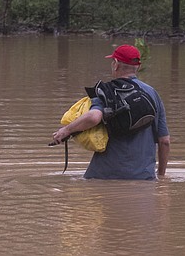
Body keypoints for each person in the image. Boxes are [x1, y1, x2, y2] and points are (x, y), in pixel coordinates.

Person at [52, 44, 170, 180]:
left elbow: (93, 117)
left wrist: (66, 130)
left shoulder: (106, 92)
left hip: (104, 176)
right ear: (138, 66)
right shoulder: (153, 94)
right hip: (144, 178)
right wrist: (161, 176)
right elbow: (164, 141)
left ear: (116, 64)